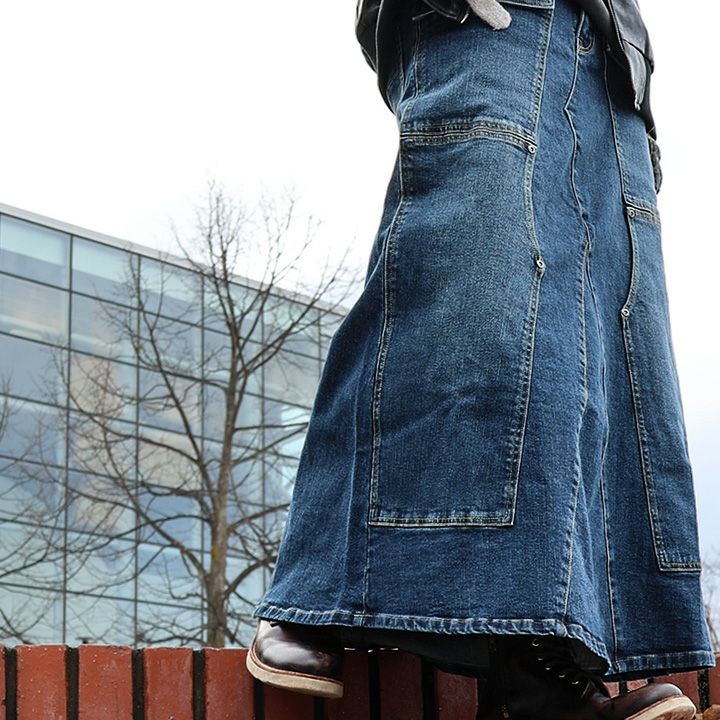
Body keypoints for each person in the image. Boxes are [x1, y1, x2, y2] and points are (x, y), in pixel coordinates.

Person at [246, 0, 717, 717]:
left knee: (586, 362)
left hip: (612, 69)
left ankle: (535, 662)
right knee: (454, 299)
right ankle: (312, 598)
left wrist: (638, 106)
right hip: (497, 22)